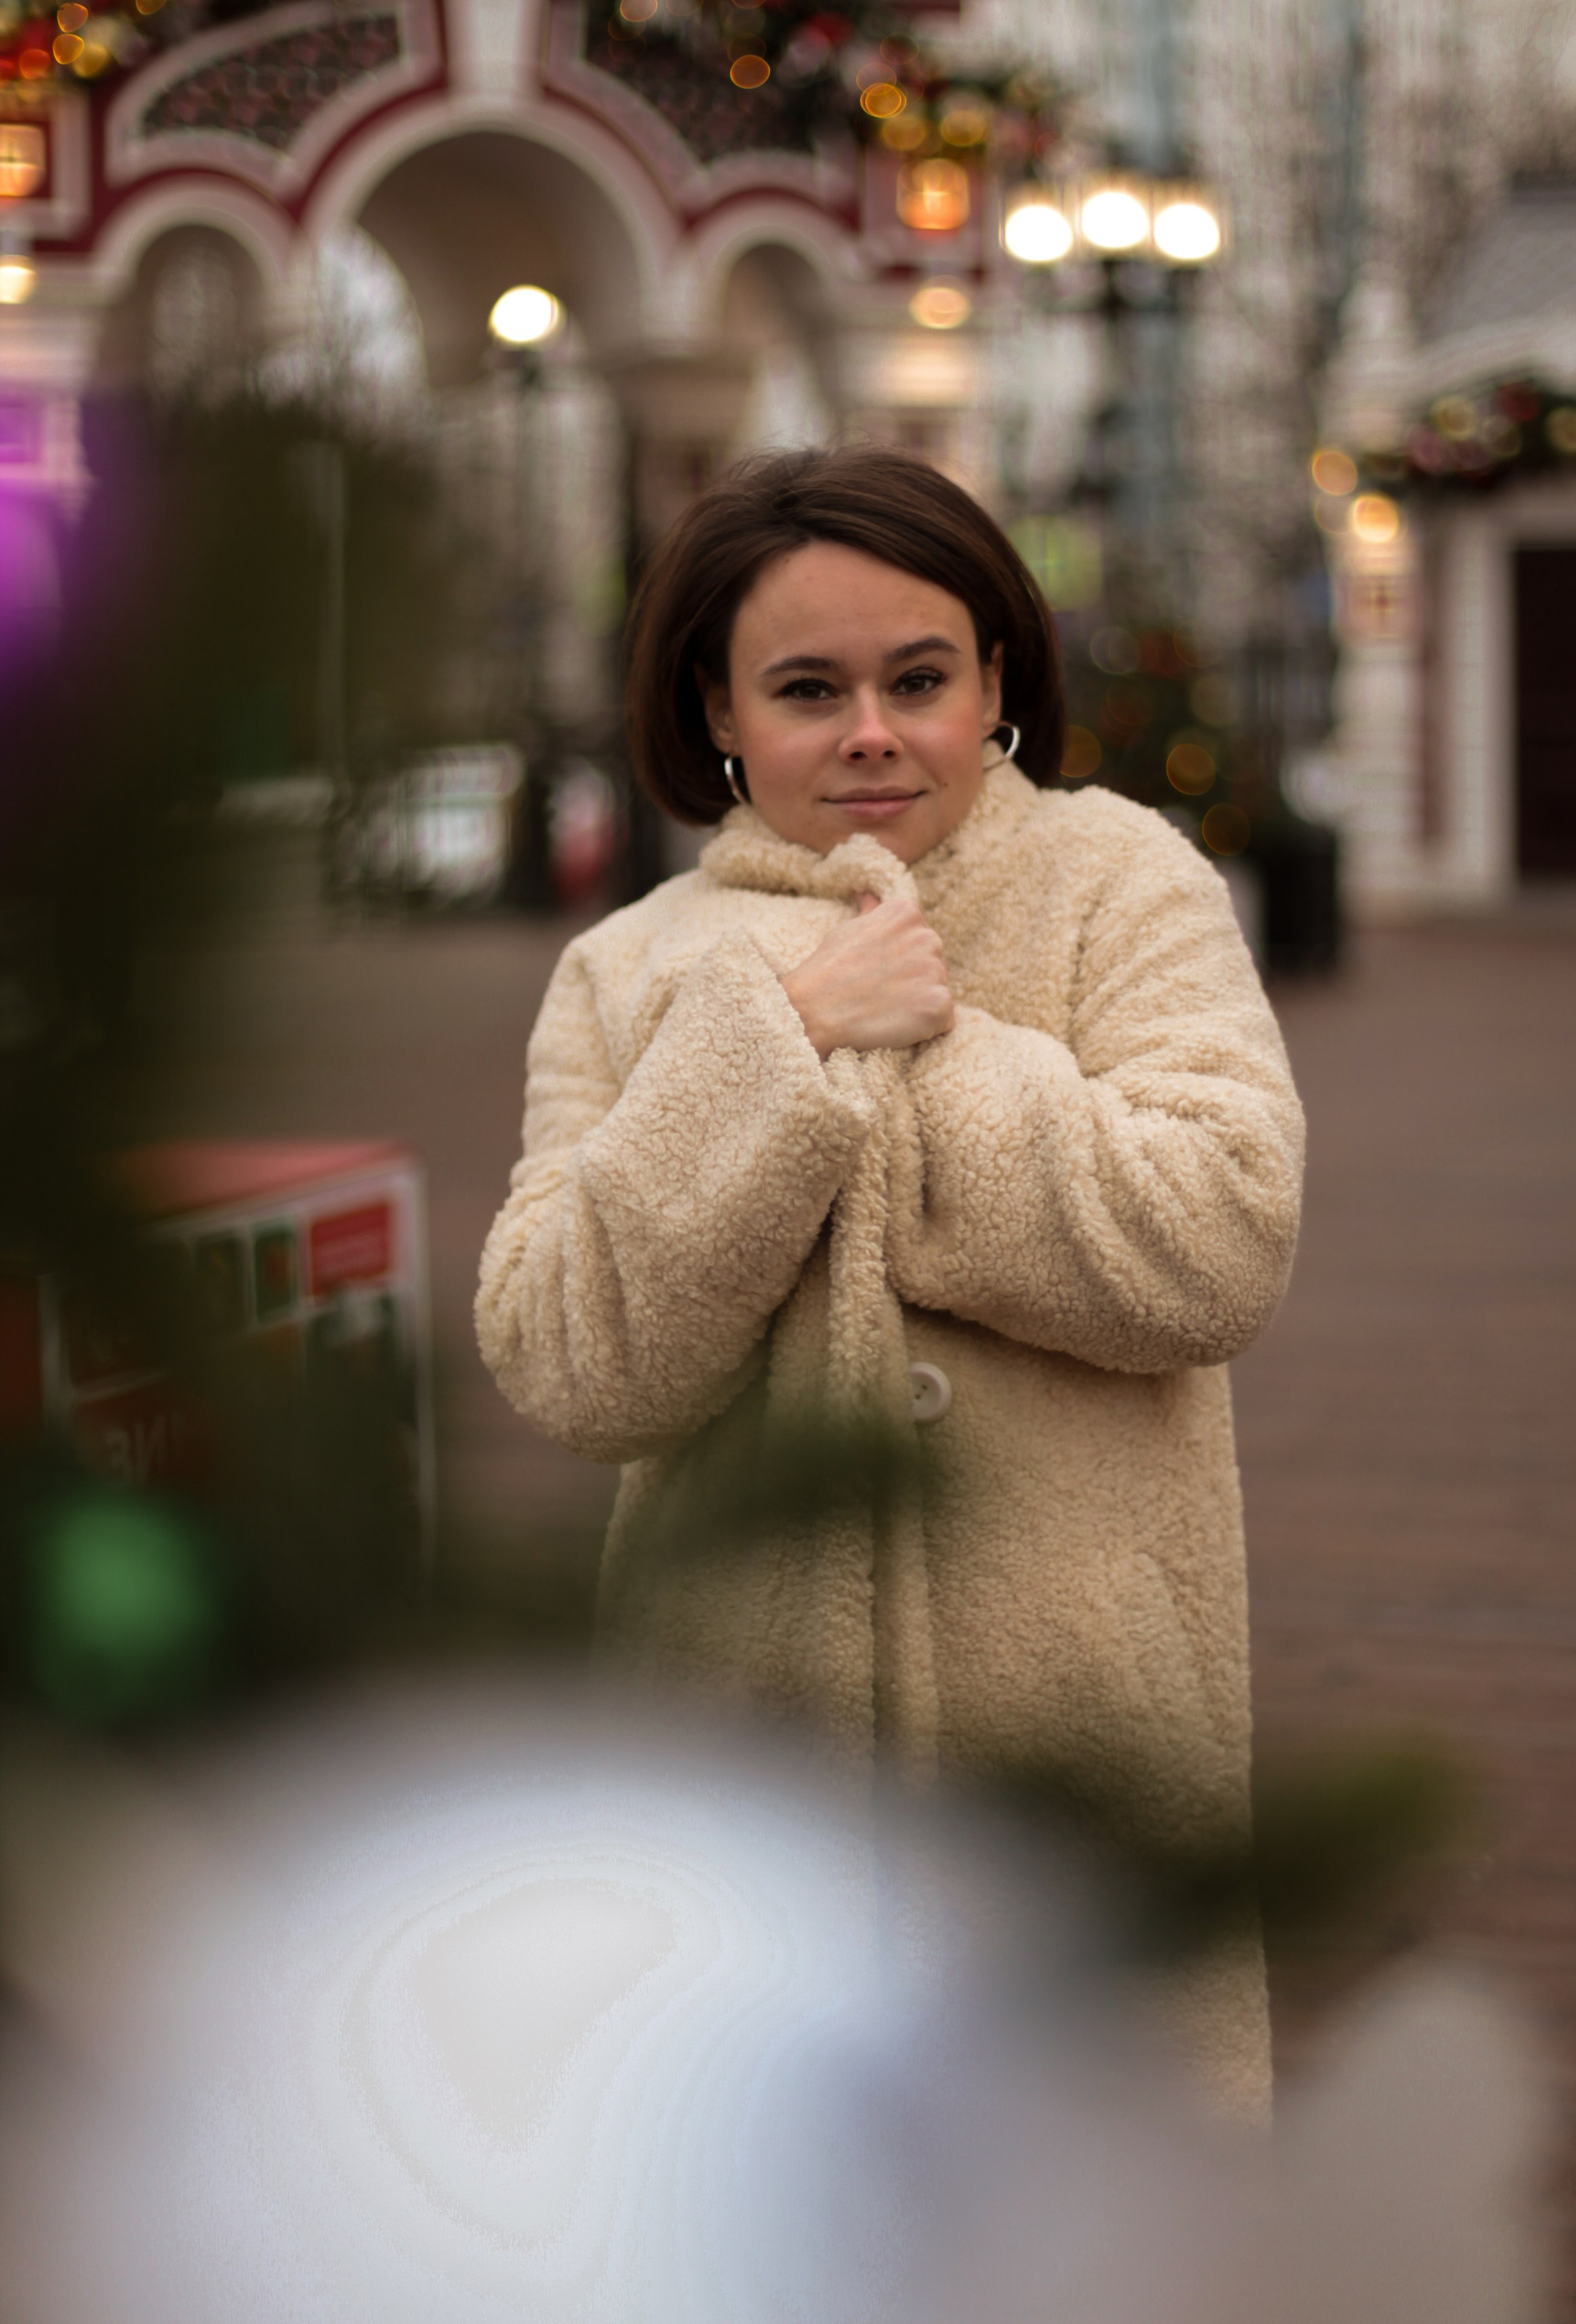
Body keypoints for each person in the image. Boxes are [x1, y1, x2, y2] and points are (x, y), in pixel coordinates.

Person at [477, 445, 1305, 2111]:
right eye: (807, 689)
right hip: (735, 1754)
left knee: (1088, 2203)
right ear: (717, 707)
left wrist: (911, 1060)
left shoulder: (1119, 879)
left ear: (993, 679)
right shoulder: (622, 970)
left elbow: (1213, 1238)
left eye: (917, 679)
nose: (871, 731)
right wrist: (778, 1041)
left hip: (1076, 1735)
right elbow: (570, 1358)